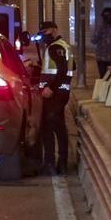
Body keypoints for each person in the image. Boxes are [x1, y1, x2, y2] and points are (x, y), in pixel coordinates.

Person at [37, 20, 73, 176]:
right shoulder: (64, 46)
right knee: (59, 128)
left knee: (48, 129)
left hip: (54, 94)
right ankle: (62, 164)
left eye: (45, 33)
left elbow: (63, 69)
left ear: (53, 30)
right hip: (62, 93)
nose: (44, 36)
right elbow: (73, 66)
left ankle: (50, 164)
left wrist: (50, 87)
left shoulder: (55, 47)